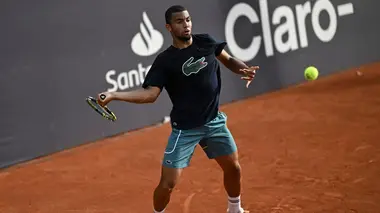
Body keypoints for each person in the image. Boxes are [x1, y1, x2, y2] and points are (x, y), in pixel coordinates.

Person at [97, 5, 259, 213]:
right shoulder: (165, 61)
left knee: (233, 167)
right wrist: (114, 94)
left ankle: (234, 209)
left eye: (188, 20)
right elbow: (150, 94)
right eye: (180, 21)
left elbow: (228, 60)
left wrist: (243, 68)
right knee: (168, 184)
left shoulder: (206, 42)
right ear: (169, 27)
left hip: (213, 121)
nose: (186, 25)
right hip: (185, 128)